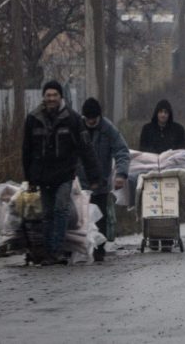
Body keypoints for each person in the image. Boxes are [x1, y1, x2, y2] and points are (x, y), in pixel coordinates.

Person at [22, 80, 103, 265]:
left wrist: (94, 176)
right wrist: (29, 178)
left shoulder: (73, 119)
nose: (51, 98)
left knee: (60, 209)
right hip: (42, 175)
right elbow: (27, 150)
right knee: (47, 213)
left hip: (64, 174)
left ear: (61, 97)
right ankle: (48, 252)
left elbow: (86, 149)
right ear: (43, 97)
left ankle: (56, 251)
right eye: (48, 95)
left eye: (54, 95)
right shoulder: (33, 119)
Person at [76, 97, 130, 262]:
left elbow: (122, 151)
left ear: (99, 116)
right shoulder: (77, 127)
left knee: (100, 218)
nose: (91, 122)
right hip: (79, 183)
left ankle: (99, 252)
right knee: (78, 218)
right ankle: (77, 250)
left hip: (100, 183)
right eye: (88, 119)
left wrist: (121, 174)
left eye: (94, 118)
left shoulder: (108, 129)